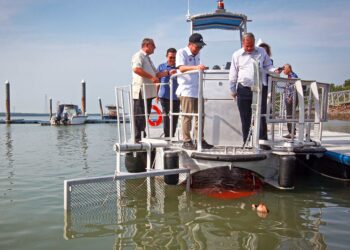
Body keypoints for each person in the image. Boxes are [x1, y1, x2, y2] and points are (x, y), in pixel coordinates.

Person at [229, 33, 278, 144]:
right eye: (247, 46)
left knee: (261, 115)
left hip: (260, 89)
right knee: (245, 117)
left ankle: (262, 141)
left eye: (251, 45)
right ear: (243, 43)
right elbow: (233, 74)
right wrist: (232, 90)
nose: (250, 48)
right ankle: (246, 141)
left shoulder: (261, 51)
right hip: (243, 89)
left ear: (254, 42)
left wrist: (274, 70)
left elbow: (268, 66)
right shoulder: (236, 55)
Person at [176, 33, 213, 150]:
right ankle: (186, 140)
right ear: (190, 44)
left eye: (201, 47)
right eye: (197, 46)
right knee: (187, 116)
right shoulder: (182, 52)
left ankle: (199, 140)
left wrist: (202, 68)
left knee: (200, 116)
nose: (199, 49)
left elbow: (197, 67)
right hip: (186, 89)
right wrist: (197, 68)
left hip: (197, 89)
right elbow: (181, 68)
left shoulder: (198, 54)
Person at [131, 38, 173, 142]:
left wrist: (168, 73)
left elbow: (156, 74)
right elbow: (136, 69)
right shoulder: (139, 55)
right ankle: (137, 138)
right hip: (141, 90)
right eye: (153, 45)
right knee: (139, 114)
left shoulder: (148, 58)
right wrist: (151, 78)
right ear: (147, 45)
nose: (155, 48)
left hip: (149, 93)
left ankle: (142, 134)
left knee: (146, 114)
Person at [157, 48, 179, 138]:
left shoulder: (179, 67)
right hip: (164, 95)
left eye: (174, 57)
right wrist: (156, 94)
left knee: (175, 117)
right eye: (171, 57)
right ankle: (167, 136)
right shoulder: (161, 66)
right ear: (166, 56)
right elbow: (157, 79)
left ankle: (172, 135)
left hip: (176, 96)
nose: (172, 60)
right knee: (166, 116)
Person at [258, 42, 273, 141]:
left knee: (262, 112)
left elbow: (271, 72)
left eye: (266, 52)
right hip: (254, 87)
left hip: (264, 87)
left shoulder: (269, 62)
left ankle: (263, 136)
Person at [282, 63, 299, 139]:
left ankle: (292, 133)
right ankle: (291, 132)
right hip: (289, 98)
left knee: (290, 115)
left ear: (289, 68)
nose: (283, 70)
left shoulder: (293, 76)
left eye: (284, 68)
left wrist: (290, 98)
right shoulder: (290, 76)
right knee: (289, 115)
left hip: (291, 99)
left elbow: (293, 88)